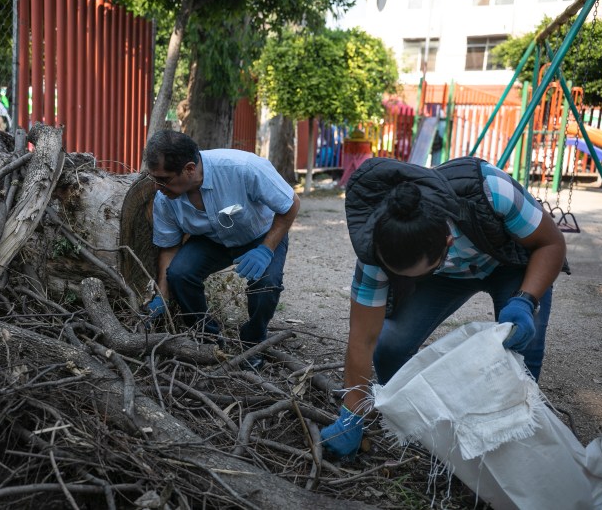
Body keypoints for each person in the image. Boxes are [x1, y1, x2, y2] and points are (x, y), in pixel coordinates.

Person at [320, 156, 567, 457]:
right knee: (390, 345)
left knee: (522, 350)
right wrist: (351, 414)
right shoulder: (375, 250)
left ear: (448, 242)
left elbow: (551, 244)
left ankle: (512, 440)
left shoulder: (490, 191)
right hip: (444, 277)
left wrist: (525, 300)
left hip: (510, 263)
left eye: (412, 274)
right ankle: (417, 419)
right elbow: (362, 340)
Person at [144, 130, 300, 370]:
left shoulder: (243, 168)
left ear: (189, 169)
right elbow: (169, 248)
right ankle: (207, 339)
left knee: (267, 284)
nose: (157, 186)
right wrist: (162, 297)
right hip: (211, 240)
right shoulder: (164, 199)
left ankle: (253, 342)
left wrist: (266, 250)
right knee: (179, 273)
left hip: (261, 235)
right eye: (154, 179)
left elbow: (291, 204)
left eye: (163, 179)